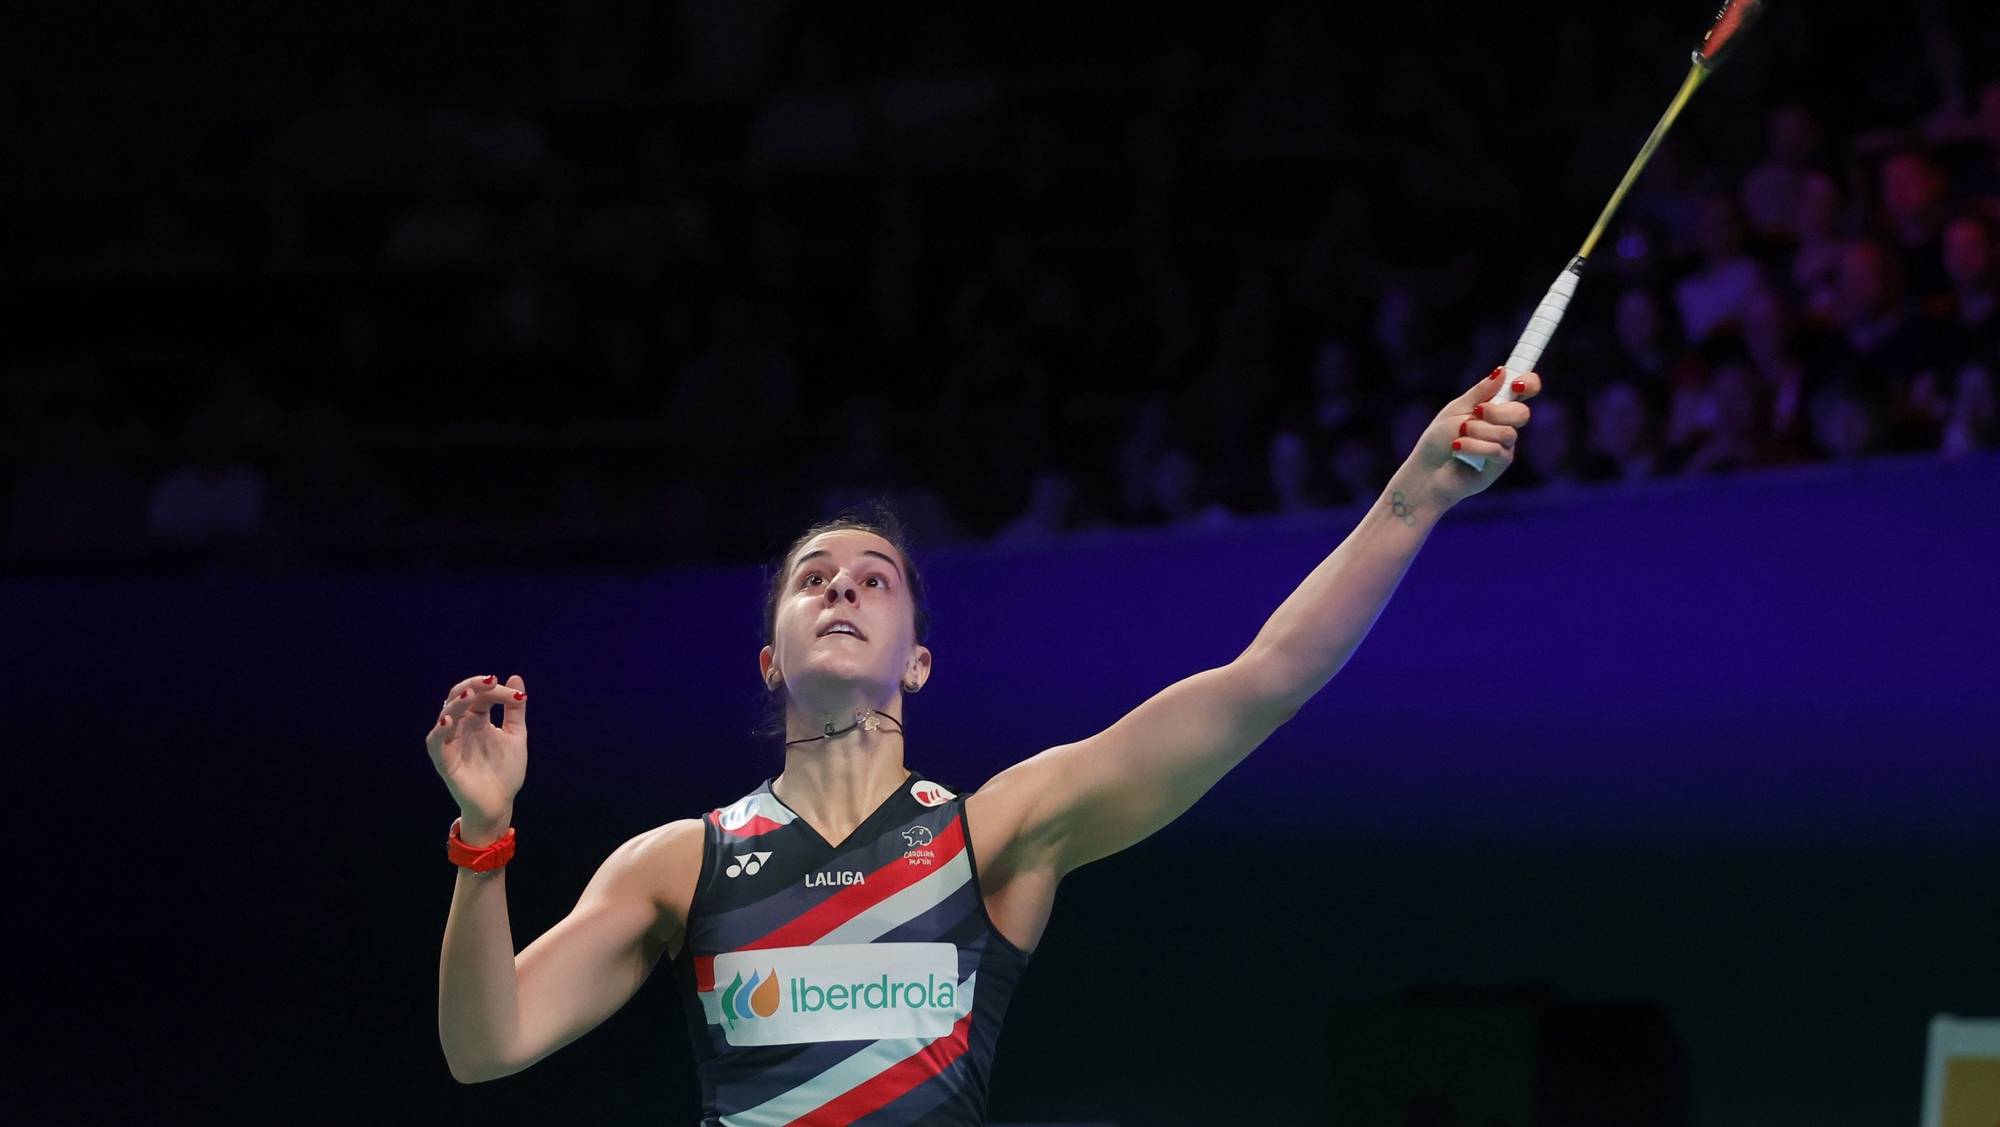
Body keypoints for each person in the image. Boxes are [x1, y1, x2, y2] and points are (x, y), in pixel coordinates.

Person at [427, 367, 1541, 1125]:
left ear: (917, 657)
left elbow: (1262, 682)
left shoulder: (992, 832)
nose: (839, 587)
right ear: (769, 658)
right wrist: (485, 837)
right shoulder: (680, 860)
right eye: (811, 578)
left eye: (874, 578)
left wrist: (1415, 493)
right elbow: (489, 1041)